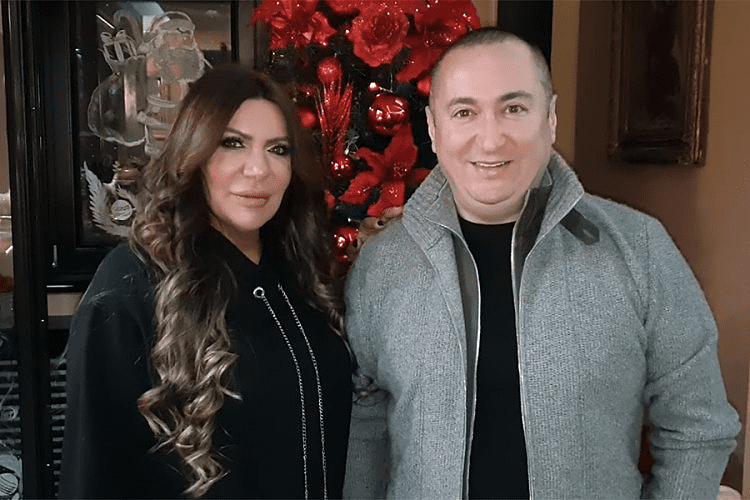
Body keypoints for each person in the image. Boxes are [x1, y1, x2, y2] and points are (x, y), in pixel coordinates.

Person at [343, 28, 740, 499]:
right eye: (464, 112)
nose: (490, 140)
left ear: (549, 119)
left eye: (514, 108)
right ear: (433, 127)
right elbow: (363, 421)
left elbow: (698, 426)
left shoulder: (639, 249)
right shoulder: (382, 266)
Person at [59, 65, 353, 499]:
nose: (259, 169)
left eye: (278, 149)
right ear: (193, 154)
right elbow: (92, 478)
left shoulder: (300, 273)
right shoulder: (133, 284)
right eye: (232, 143)